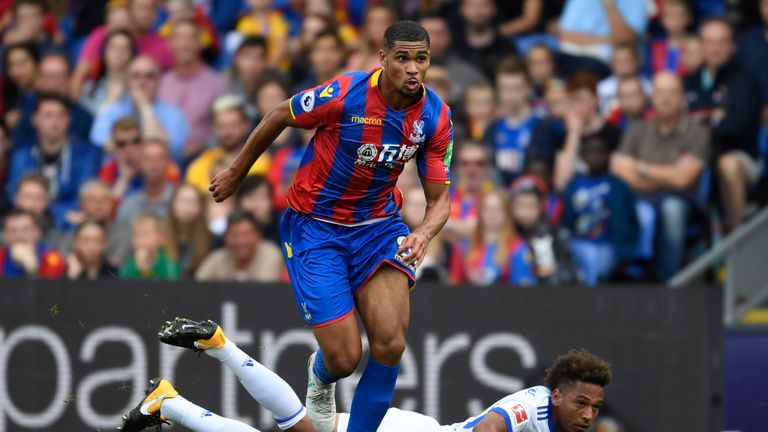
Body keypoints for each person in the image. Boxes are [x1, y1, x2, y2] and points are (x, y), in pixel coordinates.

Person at [208, 21, 453, 432]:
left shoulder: (435, 116)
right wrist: (237, 171)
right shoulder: (345, 93)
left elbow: (440, 198)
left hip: (378, 228)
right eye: (403, 58)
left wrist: (424, 232)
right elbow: (277, 114)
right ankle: (320, 377)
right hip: (317, 229)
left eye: (421, 59)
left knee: (391, 343)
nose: (413, 68)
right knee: (344, 358)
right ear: (383, 59)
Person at [120, 317, 613, 432]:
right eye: (583, 404)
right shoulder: (538, 404)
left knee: (302, 428)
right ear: (557, 393)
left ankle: (174, 395)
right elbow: (488, 428)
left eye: (595, 407)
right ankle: (179, 394)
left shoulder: (561, 417)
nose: (589, 415)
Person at [612, 71, 710, 282]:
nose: (665, 98)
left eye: (672, 92)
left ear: (682, 97)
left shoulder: (698, 132)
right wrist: (669, 173)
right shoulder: (637, 129)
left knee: (671, 208)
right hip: (640, 198)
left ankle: (670, 280)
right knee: (633, 207)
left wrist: (640, 167)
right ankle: (630, 274)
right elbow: (619, 169)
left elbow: (683, 180)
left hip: (684, 200)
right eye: (660, 92)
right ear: (652, 97)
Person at [686, 18, 762, 231]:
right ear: (700, 45)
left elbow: (736, 126)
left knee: (727, 164)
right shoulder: (688, 81)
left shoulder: (745, 80)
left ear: (732, 46)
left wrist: (701, 125)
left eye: (721, 42)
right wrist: (713, 118)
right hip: (696, 155)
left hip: (739, 155)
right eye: (709, 42)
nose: (715, 48)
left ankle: (735, 236)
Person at [7, 93, 102, 229]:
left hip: (70, 225)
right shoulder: (22, 155)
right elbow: (15, 195)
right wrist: (59, 213)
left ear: (69, 119)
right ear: (34, 119)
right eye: (48, 115)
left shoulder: (87, 154)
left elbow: (84, 196)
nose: (54, 122)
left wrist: (46, 210)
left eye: (60, 116)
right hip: (32, 221)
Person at [563, 135, 638, 286]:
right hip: (579, 242)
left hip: (608, 244)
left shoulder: (618, 185)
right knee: (586, 259)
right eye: (591, 151)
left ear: (609, 155)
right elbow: (567, 221)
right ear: (583, 156)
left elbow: (631, 221)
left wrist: (625, 254)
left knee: (597, 263)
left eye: (600, 151)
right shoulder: (573, 185)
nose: (596, 155)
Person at [90, 55, 189, 162]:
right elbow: (99, 143)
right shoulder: (113, 110)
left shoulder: (174, 115)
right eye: (136, 76)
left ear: (159, 81)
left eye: (149, 76)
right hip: (116, 173)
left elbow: (171, 150)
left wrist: (145, 107)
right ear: (127, 81)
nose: (142, 82)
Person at [159, 19, 228, 161]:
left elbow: (224, 126)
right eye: (179, 37)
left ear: (200, 43)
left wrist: (198, 148)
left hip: (205, 158)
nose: (185, 44)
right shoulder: (160, 83)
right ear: (170, 43)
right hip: (161, 161)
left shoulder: (217, 84)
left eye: (191, 38)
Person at [450, 188, 536, 286]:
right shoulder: (463, 247)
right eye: (487, 209)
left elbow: (523, 290)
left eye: (498, 209)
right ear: (480, 213)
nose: (492, 213)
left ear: (507, 214)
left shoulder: (518, 248)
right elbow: (454, 287)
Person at [185, 96, 270, 194]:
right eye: (221, 126)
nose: (227, 132)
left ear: (246, 126)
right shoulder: (203, 161)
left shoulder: (260, 159)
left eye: (233, 125)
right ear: (214, 128)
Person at [12, 52, 95, 147]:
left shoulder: (85, 118)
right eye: (50, 76)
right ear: (39, 80)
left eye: (61, 76)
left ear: (69, 79)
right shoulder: (26, 114)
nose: (56, 83)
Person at [99, 116, 180, 203]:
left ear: (143, 141)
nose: (130, 148)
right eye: (122, 144)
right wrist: (124, 179)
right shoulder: (109, 168)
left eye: (136, 141)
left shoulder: (161, 163)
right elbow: (106, 210)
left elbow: (175, 199)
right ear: (114, 146)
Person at [485, 58, 539, 185]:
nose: (510, 95)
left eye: (516, 88)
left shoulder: (541, 127)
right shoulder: (491, 130)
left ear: (528, 88)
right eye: (505, 88)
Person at [557, 0, 647, 76]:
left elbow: (626, 40)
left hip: (608, 63)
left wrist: (609, 5)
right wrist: (607, 40)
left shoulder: (636, 2)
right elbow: (565, 35)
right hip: (574, 56)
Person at [195, 210, 283, 282]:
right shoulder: (217, 258)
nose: (241, 241)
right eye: (234, 235)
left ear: (258, 235)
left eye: (246, 234)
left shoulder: (271, 254)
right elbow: (198, 286)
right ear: (226, 237)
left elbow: (264, 291)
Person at [418, 13, 487, 104]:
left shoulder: (468, 74)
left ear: (449, 36)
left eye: (439, 34)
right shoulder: (400, 72)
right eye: (427, 34)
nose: (433, 40)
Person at [116, 137, 176, 224]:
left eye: (159, 159)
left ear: (168, 162)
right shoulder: (128, 206)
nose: (153, 165)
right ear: (140, 163)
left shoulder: (180, 201)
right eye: (148, 159)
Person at [454, 0, 517, 80]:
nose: (477, 11)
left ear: (494, 8)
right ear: (461, 9)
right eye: (471, 5)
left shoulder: (506, 48)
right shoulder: (451, 45)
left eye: (483, 5)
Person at [79, 30, 136, 115]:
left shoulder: (138, 90)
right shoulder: (88, 89)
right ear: (104, 52)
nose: (119, 52)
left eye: (125, 48)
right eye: (114, 47)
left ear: (131, 54)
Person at [163, 183, 213, 278]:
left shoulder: (212, 240)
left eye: (193, 201)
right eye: (183, 201)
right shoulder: (160, 237)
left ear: (201, 207)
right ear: (172, 204)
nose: (187, 207)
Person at [0, 208, 65, 278]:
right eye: (13, 231)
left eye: (25, 230)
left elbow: (51, 287)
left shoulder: (51, 256)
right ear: (5, 235)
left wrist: (32, 267)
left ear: (37, 232)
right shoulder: (1, 256)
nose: (19, 236)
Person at [119, 213, 180, 279]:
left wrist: (145, 270)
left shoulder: (169, 265)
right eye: (135, 235)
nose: (140, 240)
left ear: (161, 238)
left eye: (145, 235)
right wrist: (137, 268)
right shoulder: (129, 265)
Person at [596, 44, 651, 116]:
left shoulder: (649, 87)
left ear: (637, 62)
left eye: (626, 61)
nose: (623, 65)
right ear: (611, 64)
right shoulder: (602, 88)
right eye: (618, 61)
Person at [234, 175, 281, 246]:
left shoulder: (284, 227)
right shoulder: (231, 229)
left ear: (271, 201)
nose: (256, 204)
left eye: (262, 197)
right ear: (239, 201)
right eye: (250, 197)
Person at [650, 0, 694, 76]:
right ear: (662, 20)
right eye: (670, 16)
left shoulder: (694, 45)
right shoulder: (655, 45)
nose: (675, 21)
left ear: (689, 18)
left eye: (680, 16)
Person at [1, 42, 39, 128]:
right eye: (11, 65)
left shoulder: (49, 93)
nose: (16, 71)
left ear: (36, 63)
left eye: (22, 63)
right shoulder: (11, 94)